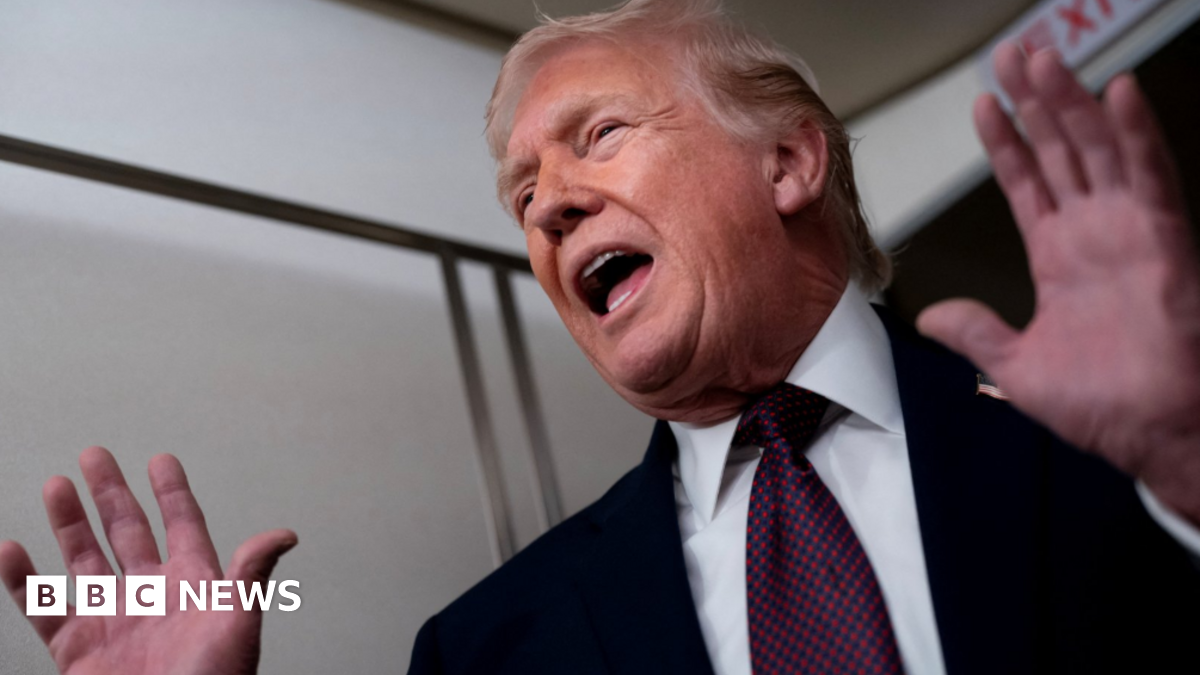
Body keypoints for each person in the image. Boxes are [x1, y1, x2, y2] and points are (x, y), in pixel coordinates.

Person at [3, 0, 1199, 673]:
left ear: (786, 160)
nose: (551, 205)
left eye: (600, 134)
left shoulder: (1115, 449)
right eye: (522, 197)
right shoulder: (483, 650)